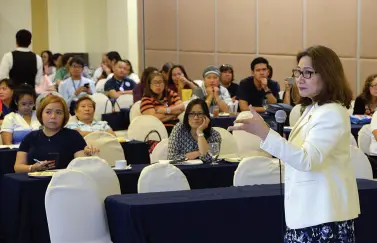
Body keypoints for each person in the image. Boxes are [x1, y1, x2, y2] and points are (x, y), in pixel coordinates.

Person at [229, 45, 360, 242]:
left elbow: (307, 160)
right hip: (308, 213)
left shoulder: (332, 112)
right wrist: (267, 133)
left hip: (323, 216)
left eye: (308, 73)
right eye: (298, 71)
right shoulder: (312, 108)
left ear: (328, 75)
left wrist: (265, 134)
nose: (300, 78)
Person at [14, 95, 99, 172]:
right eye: (48, 112)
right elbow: (18, 167)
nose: (53, 116)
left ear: (64, 116)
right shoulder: (30, 137)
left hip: (66, 183)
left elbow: (80, 166)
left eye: (58, 112)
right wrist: (32, 168)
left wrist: (88, 156)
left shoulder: (73, 136)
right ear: (41, 114)